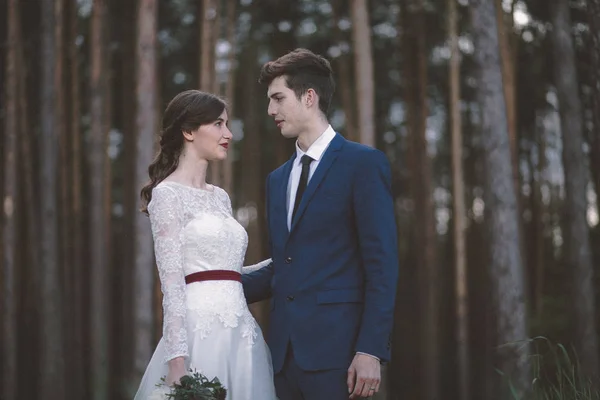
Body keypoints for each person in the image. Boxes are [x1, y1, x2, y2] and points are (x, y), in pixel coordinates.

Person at [242, 48, 399, 400]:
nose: (271, 111)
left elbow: (382, 265)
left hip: (340, 357)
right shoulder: (277, 180)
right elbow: (286, 265)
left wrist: (371, 350)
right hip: (281, 358)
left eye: (278, 98)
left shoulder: (363, 164)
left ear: (309, 97)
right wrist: (215, 285)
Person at [133, 90, 277, 400]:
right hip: (199, 335)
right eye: (218, 124)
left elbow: (227, 272)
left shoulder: (220, 197)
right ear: (188, 131)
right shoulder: (167, 195)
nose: (229, 134)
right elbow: (171, 285)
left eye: (227, 124)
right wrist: (176, 359)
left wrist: (283, 262)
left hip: (241, 333)